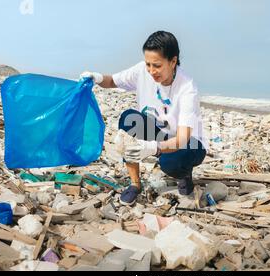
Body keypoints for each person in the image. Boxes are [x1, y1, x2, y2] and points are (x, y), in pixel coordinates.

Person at [80, 31, 208, 206]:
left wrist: (153, 148)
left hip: (190, 143)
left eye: (157, 65)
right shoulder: (142, 71)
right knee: (129, 119)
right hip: (160, 133)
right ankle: (135, 184)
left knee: (170, 162)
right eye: (148, 64)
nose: (151, 71)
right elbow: (112, 82)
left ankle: (184, 174)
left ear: (173, 61)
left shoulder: (187, 88)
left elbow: (183, 138)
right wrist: (97, 78)